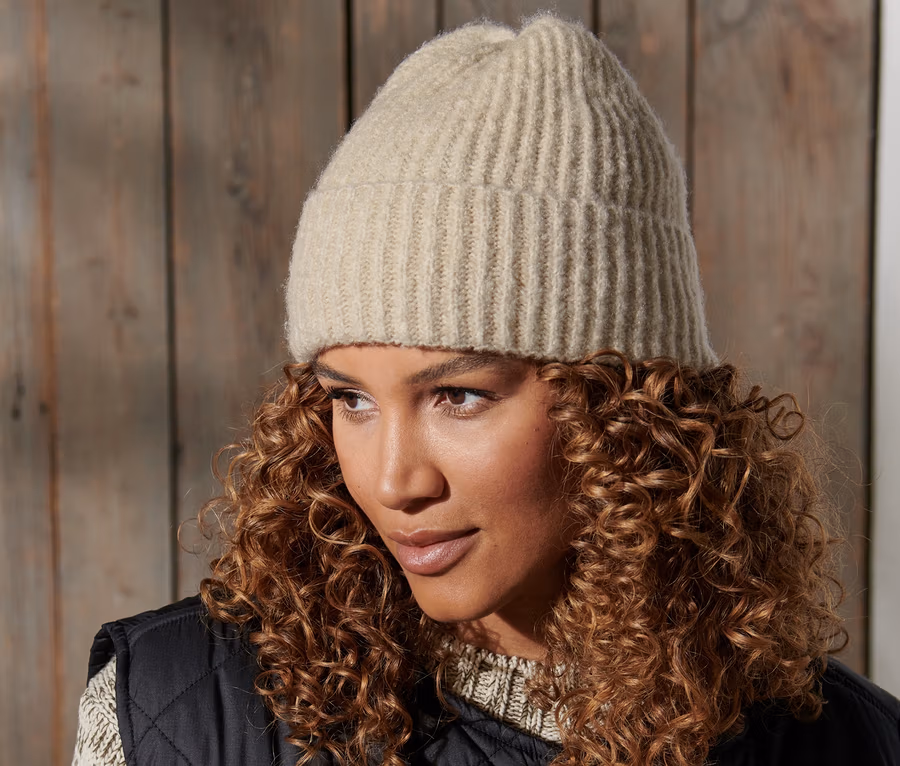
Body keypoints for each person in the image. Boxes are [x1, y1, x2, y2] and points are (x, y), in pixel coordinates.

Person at [72, 13, 900, 766]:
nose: (393, 481)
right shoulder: (175, 710)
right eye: (350, 399)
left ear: (629, 414)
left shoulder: (848, 744)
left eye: (458, 396)